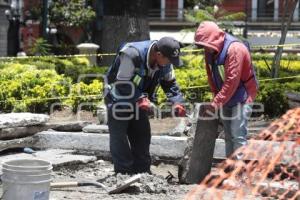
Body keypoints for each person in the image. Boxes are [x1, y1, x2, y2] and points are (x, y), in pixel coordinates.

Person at [104, 37, 186, 174]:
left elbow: (170, 83)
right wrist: (140, 98)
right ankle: (123, 173)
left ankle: (142, 172)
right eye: (169, 60)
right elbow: (122, 83)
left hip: (139, 99)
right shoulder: (132, 54)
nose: (170, 64)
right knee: (119, 136)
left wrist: (177, 102)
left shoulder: (165, 61)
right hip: (117, 97)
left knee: (142, 134)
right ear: (158, 55)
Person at [194, 21, 258, 158]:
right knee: (228, 134)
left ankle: (240, 174)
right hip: (225, 97)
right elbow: (211, 75)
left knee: (237, 134)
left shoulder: (234, 50)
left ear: (214, 38)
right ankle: (230, 169)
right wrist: (215, 97)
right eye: (202, 46)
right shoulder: (210, 51)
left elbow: (232, 82)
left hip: (243, 95)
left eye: (206, 45)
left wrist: (215, 104)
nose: (205, 49)